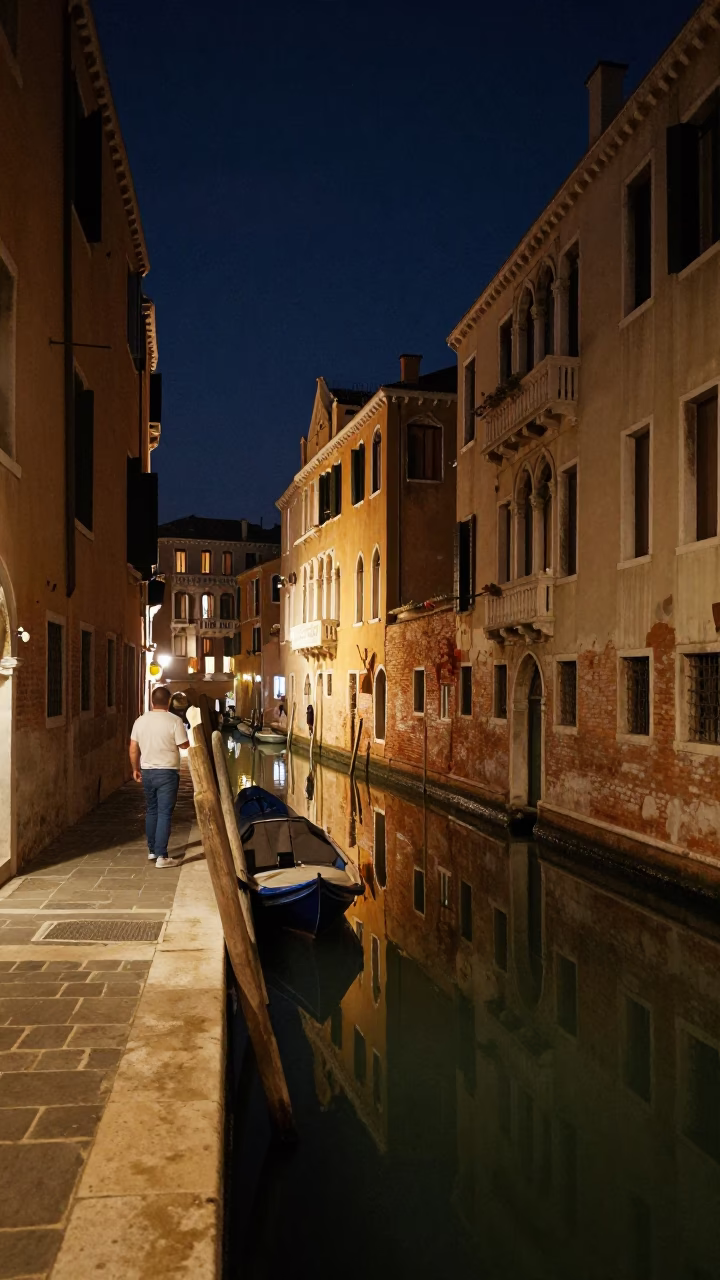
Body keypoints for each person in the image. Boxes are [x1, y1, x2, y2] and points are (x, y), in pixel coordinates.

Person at [129, 685, 190, 868]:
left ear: (152, 701)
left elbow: (133, 748)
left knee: (152, 810)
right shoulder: (174, 721)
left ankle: (152, 851)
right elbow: (184, 745)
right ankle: (162, 856)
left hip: (147, 772)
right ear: (169, 701)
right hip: (168, 772)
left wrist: (134, 769)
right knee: (164, 813)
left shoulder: (140, 721)